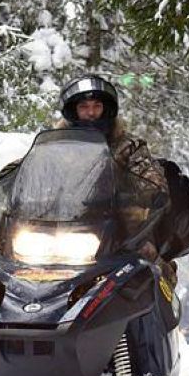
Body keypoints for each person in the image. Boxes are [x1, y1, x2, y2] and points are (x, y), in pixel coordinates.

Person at [57, 74, 169, 262]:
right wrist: (2, 187)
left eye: (97, 106)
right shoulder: (58, 145)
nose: (91, 113)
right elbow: (26, 167)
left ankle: (163, 286)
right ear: (73, 111)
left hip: (119, 227)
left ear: (106, 109)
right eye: (84, 107)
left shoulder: (127, 145)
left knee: (147, 257)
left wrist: (144, 191)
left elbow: (151, 178)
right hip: (64, 222)